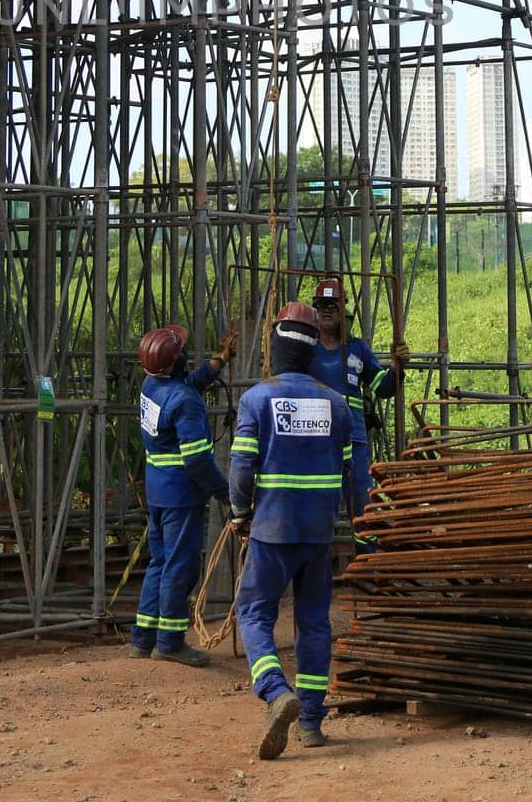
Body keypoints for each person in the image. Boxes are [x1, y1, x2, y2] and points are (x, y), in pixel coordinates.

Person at [230, 301, 353, 757]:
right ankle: (311, 724)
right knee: (314, 624)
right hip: (318, 532)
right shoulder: (336, 404)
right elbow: (345, 472)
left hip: (272, 529)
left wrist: (239, 513)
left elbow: (242, 465)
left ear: (276, 346)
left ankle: (274, 689)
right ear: (311, 350)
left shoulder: (258, 399)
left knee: (255, 613)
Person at [131, 322, 237, 667]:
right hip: (182, 494)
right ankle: (171, 642)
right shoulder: (186, 402)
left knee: (160, 563)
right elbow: (197, 460)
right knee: (181, 566)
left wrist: (217, 362)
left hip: (158, 490)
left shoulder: (152, 385)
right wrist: (224, 491)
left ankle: (143, 639)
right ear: (177, 362)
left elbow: (185, 385)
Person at [308, 277, 408, 550]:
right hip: (316, 440)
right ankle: (315, 572)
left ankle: (366, 567)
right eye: (321, 306)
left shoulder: (358, 349)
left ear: (343, 310)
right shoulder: (306, 350)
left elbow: (384, 388)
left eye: (332, 305)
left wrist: (398, 367)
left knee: (362, 508)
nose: (327, 311)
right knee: (315, 507)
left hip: (354, 441)